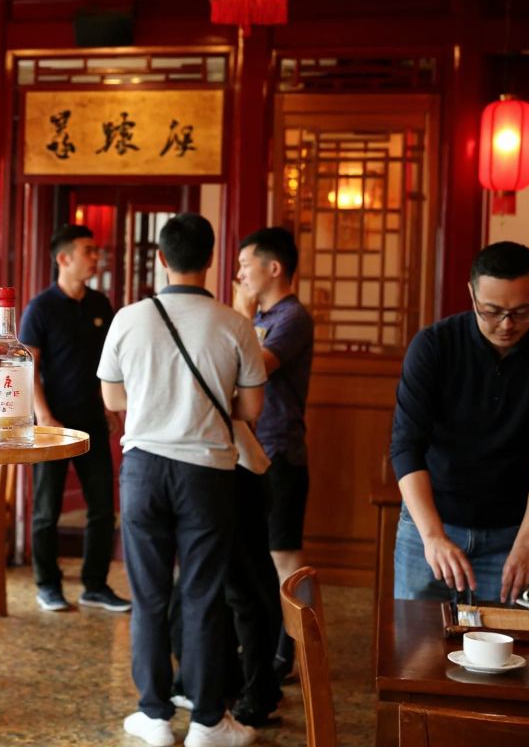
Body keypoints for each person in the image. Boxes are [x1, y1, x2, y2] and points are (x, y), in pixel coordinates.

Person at [99, 212, 265, 747]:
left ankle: (152, 715)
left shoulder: (128, 318)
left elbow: (112, 398)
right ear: (211, 260)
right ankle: (207, 722)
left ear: (162, 260)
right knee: (203, 596)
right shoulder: (234, 323)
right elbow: (251, 409)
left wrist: (154, 400)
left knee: (148, 597)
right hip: (207, 473)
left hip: (144, 467)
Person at [390, 241, 529, 605]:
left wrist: (527, 544)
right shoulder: (433, 346)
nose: (507, 325)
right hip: (430, 524)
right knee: (416, 650)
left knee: (505, 654)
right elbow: (405, 446)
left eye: (524, 311)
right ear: (471, 294)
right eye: (491, 311)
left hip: (510, 532)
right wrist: (432, 537)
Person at [19, 223, 130, 613]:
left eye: (96, 251)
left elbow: (108, 365)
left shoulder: (101, 305)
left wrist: (108, 408)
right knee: (47, 510)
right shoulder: (41, 307)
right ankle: (47, 584)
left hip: (92, 422)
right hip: (52, 425)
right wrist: (43, 414)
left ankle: (95, 585)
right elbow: (27, 365)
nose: (95, 258)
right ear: (63, 258)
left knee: (102, 506)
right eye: (88, 251)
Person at [233, 226, 314, 682]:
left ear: (274, 268)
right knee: (257, 556)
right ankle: (269, 651)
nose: (240, 273)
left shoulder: (292, 317)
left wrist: (241, 317)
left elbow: (254, 365)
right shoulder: (262, 314)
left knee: (286, 558)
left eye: (246, 265)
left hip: (281, 450)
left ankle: (299, 653)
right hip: (252, 449)